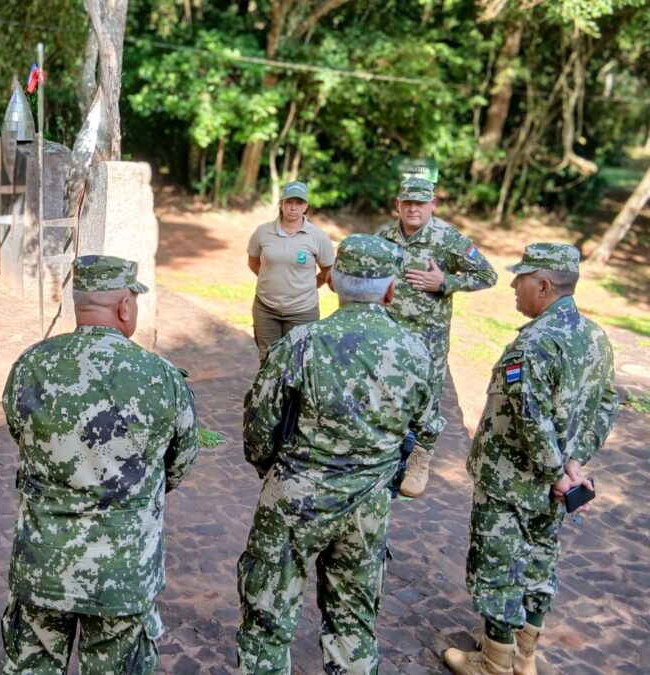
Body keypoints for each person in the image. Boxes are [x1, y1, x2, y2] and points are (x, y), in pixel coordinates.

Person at [237, 234, 444, 674]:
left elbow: (259, 422)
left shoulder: (300, 343)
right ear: (390, 291)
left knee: (267, 617)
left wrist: (272, 468)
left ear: (332, 283)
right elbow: (427, 425)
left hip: (296, 495)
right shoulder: (415, 351)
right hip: (368, 502)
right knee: (353, 620)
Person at [0, 254, 199, 674]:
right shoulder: (160, 376)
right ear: (125, 306)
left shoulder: (32, 364)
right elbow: (179, 462)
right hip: (121, 572)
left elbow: (19, 431)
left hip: (43, 562)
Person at [442, 243, 617, 675]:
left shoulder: (535, 343)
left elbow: (531, 419)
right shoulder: (594, 336)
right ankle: (524, 658)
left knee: (497, 568)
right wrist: (574, 463)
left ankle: (494, 663)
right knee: (540, 564)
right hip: (556, 485)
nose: (513, 286)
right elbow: (606, 403)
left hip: (511, 481)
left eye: (521, 279)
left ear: (544, 285)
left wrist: (557, 471)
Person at [375, 177, 497, 498]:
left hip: (428, 336)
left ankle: (421, 456)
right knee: (385, 389)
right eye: (407, 202)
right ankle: (386, 451)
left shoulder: (448, 239)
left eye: (420, 203)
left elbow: (487, 275)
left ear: (433, 204)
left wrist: (445, 282)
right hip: (388, 331)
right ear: (398, 204)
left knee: (427, 397)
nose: (413, 208)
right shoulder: (384, 236)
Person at [247, 181, 335, 363]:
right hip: (266, 309)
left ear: (306, 206)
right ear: (281, 204)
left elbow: (327, 271)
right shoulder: (263, 232)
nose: (293, 207)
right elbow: (254, 262)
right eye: (289, 202)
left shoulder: (318, 237)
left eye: (299, 202)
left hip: (302, 311)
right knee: (268, 360)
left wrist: (307, 286)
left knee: (298, 362)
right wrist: (271, 280)